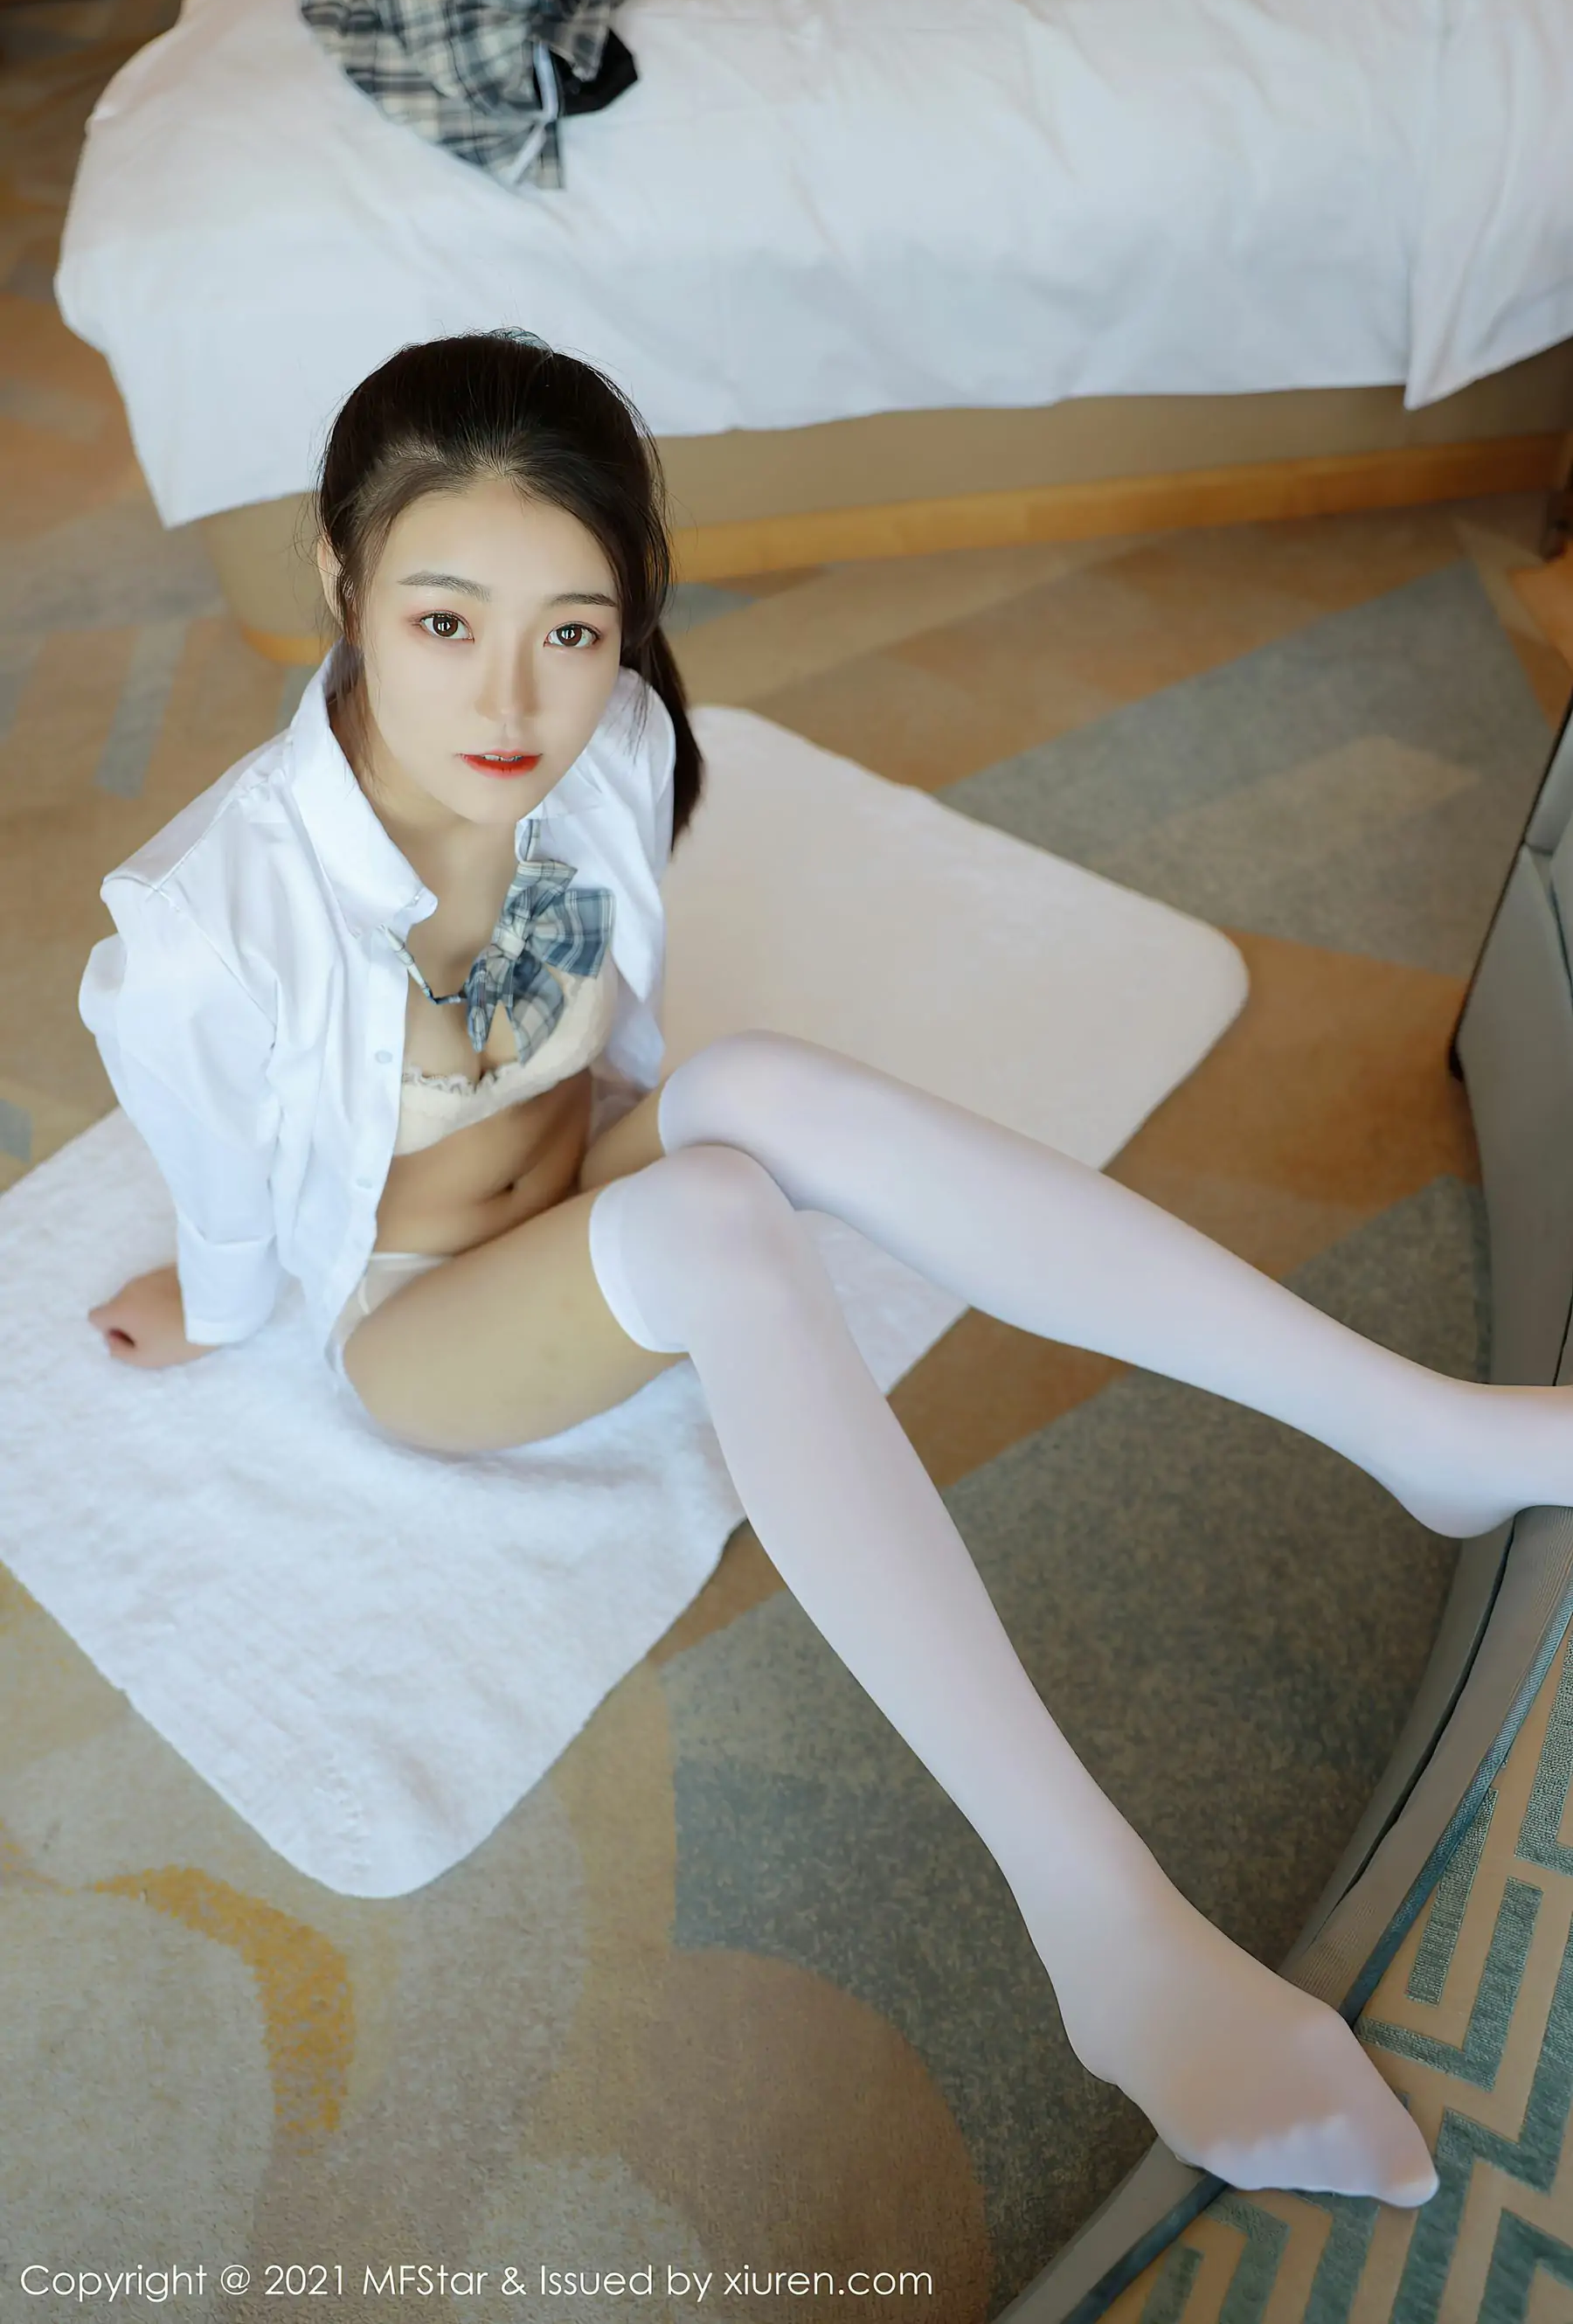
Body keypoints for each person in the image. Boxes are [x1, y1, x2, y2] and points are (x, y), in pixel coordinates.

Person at [92, 324, 1557, 2210]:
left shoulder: (615, 745)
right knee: (717, 1217)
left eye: (574, 627)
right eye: (444, 621)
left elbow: (633, 1027)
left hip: (585, 1175)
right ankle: (1105, 1931)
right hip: (426, 1317)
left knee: (756, 1090)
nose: (513, 698)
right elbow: (227, 1189)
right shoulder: (200, 935)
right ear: (340, 578)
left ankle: (1416, 1428)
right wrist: (210, 1303)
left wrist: (681, 1118)